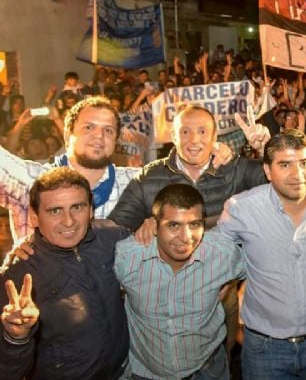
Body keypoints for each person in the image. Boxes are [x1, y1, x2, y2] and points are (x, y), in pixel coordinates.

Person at [0, 97, 232, 242]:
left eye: (108, 130)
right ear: (67, 133)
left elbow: (199, 200)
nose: (99, 136)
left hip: (116, 315)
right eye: (89, 127)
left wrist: (212, 155)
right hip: (42, 314)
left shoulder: (136, 182)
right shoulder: (30, 180)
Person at [215, 129, 306, 380]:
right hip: (266, 350)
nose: (297, 175)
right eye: (285, 164)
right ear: (267, 170)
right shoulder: (242, 208)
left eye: (304, 163)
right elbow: (209, 255)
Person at [0, 167, 130, 379]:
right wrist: (16, 337)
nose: (68, 221)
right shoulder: (18, 273)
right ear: (34, 217)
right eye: (55, 210)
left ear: (90, 210)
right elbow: (7, 372)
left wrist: (151, 224)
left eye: (77, 207)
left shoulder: (112, 237)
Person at [115, 183, 245, 379]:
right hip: (147, 373)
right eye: (173, 225)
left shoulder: (222, 254)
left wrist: (239, 288)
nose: (185, 238)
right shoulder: (128, 258)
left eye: (194, 224)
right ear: (155, 226)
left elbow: (263, 270)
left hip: (207, 369)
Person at [108, 105, 266, 230]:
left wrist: (266, 151)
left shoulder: (235, 169)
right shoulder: (149, 176)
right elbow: (116, 229)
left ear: (214, 136)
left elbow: (281, 188)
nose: (194, 140)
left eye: (202, 131)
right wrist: (142, 229)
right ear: (173, 135)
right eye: (185, 132)